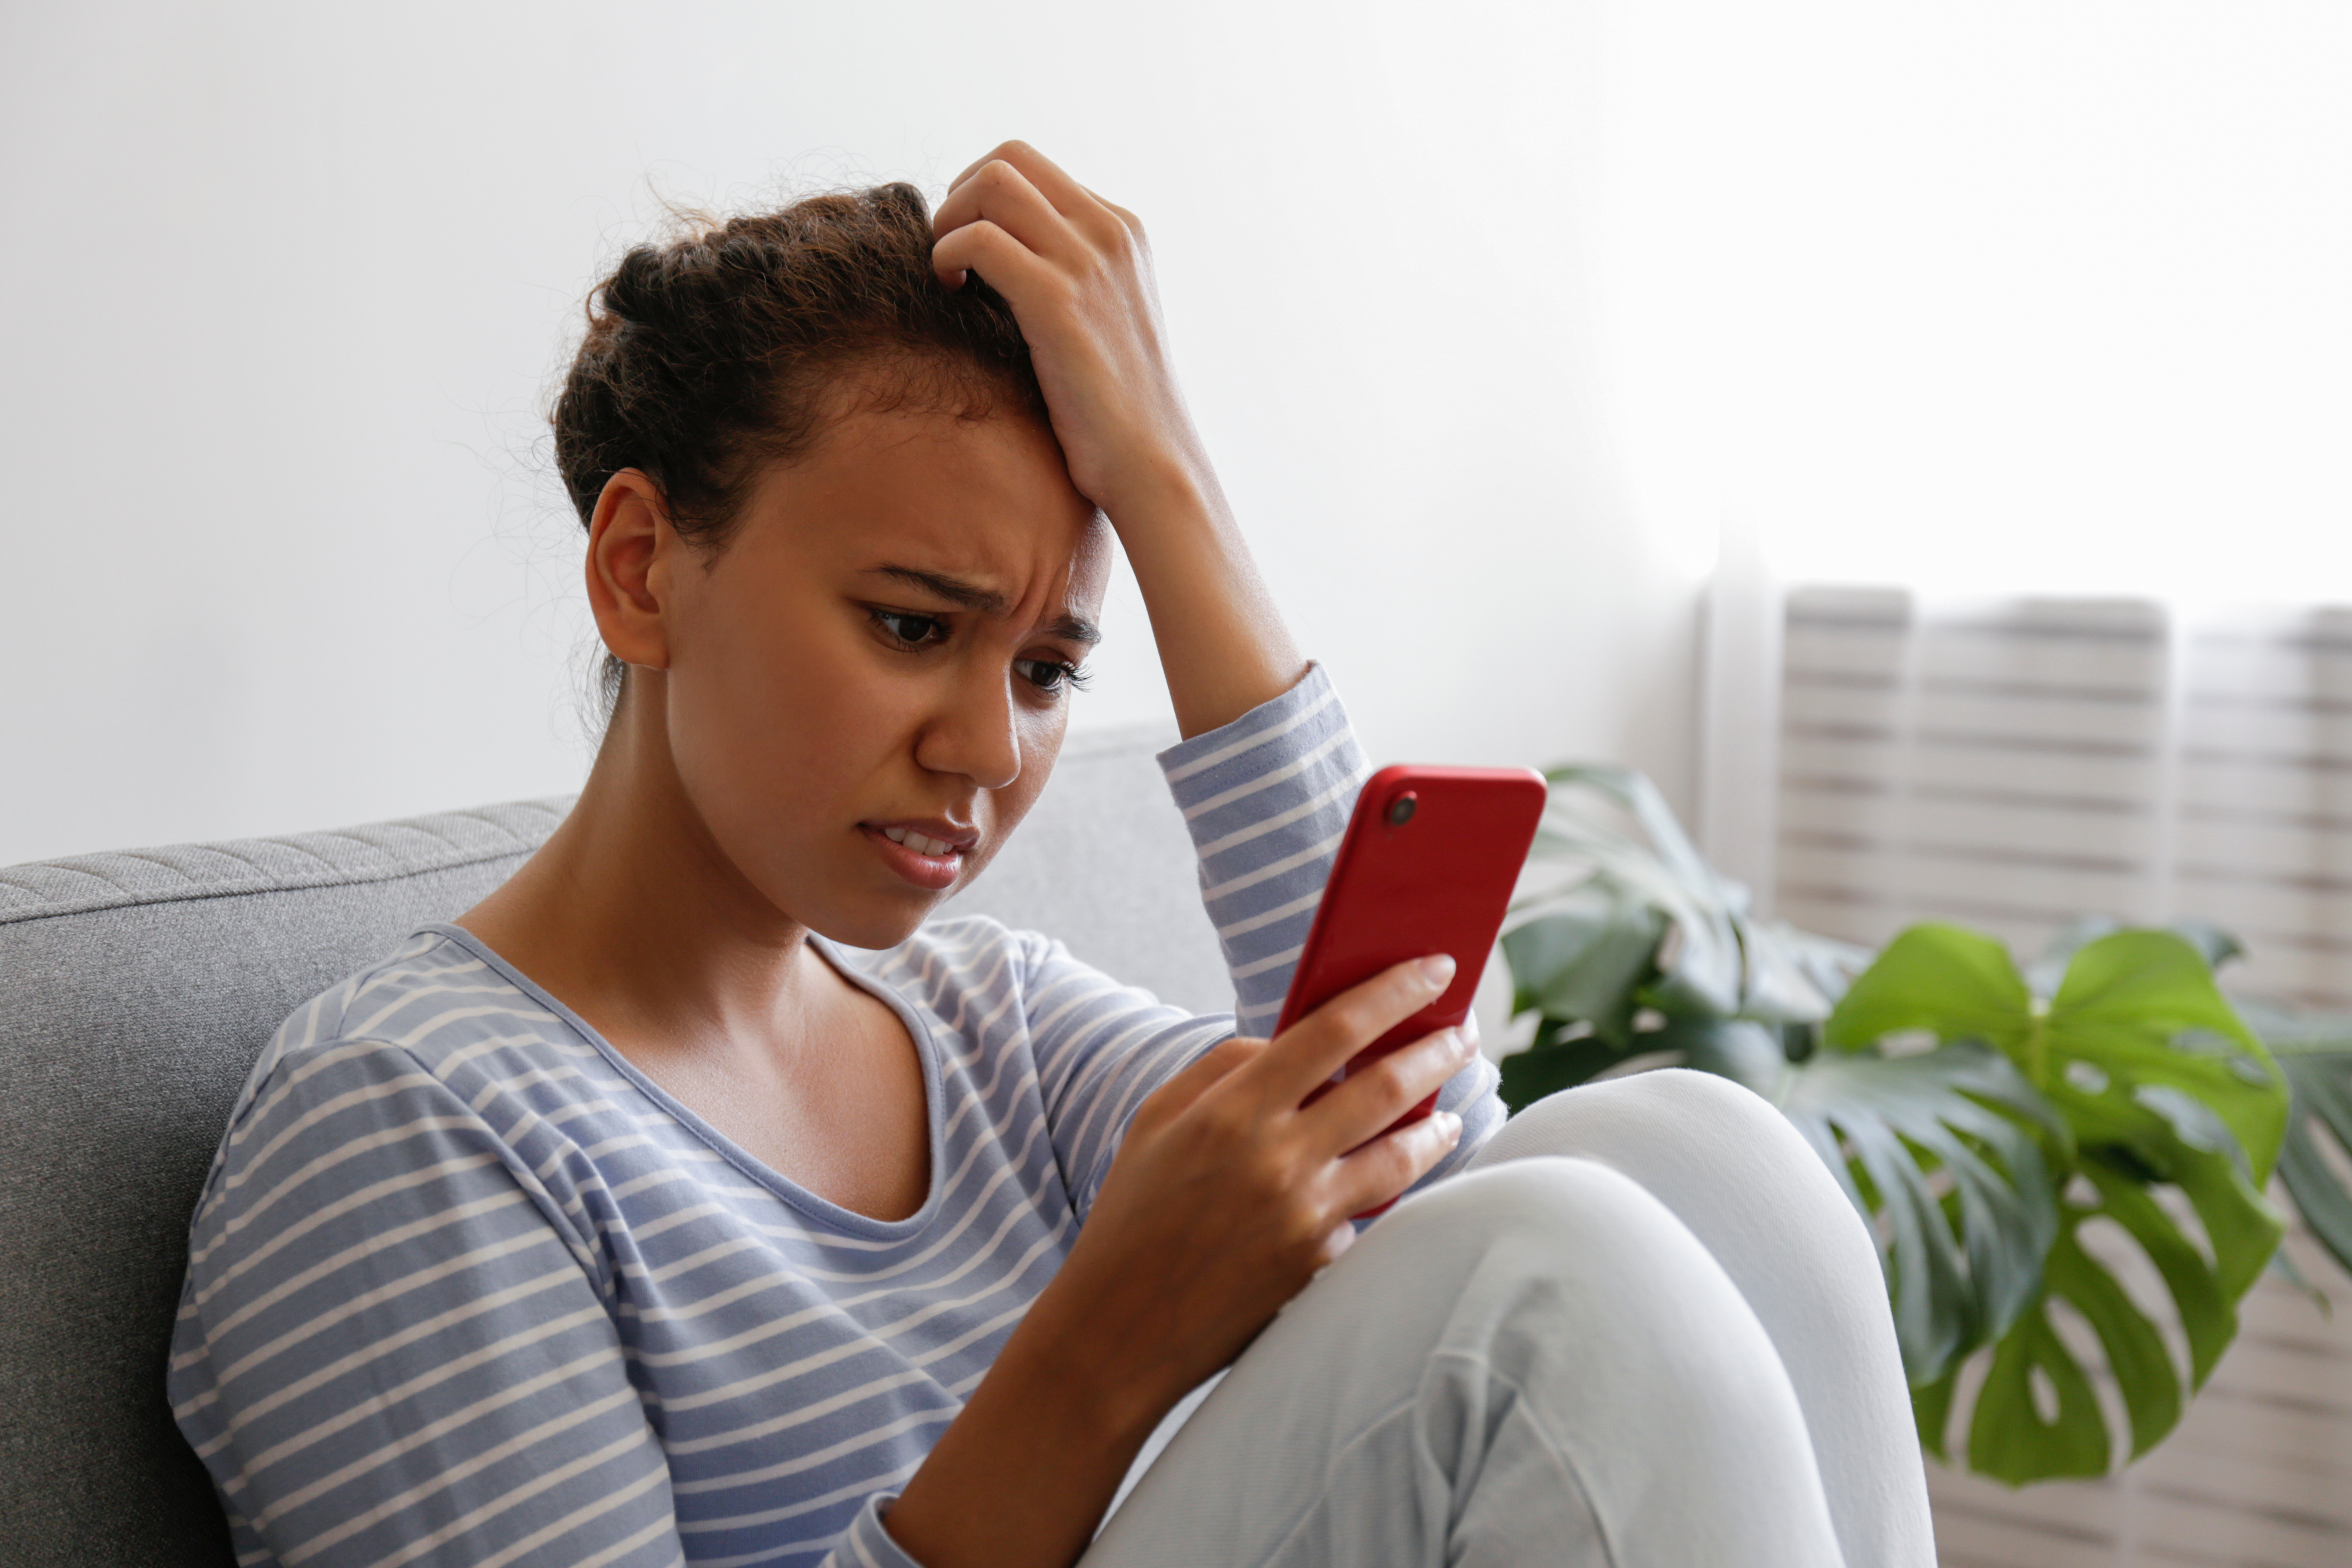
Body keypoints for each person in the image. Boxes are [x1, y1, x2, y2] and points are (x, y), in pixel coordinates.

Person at [168, 143, 1935, 1568]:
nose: (991, 750)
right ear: (643, 568)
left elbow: (1439, 1156)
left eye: (1045, 668)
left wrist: (1166, 480)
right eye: (910, 623)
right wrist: (1096, 1354)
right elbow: (1523, 1292)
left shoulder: (984, 1022)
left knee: (1700, 1150)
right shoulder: (404, 1119)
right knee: (1550, 1269)